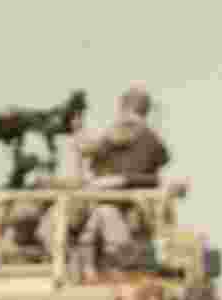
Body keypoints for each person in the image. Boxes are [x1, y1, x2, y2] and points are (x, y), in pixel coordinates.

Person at [71, 84, 171, 281]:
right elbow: (91, 151)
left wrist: (117, 181)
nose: (126, 119)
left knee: (104, 214)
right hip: (105, 207)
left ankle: (97, 266)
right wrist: (78, 132)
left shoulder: (146, 139)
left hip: (130, 213)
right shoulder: (116, 136)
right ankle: (85, 266)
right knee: (87, 216)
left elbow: (150, 175)